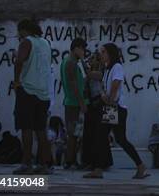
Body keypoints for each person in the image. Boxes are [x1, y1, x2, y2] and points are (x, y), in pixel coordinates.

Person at [83, 43, 149, 179]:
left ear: (110, 54)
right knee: (102, 136)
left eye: (104, 52)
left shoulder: (117, 67)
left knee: (119, 139)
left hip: (115, 108)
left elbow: (115, 86)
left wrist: (108, 98)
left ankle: (140, 166)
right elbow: (97, 77)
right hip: (111, 108)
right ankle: (99, 169)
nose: (101, 55)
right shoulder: (107, 68)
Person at [12, 19, 53, 175]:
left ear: (24, 30)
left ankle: (26, 164)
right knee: (41, 130)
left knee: (26, 129)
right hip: (43, 93)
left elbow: (20, 61)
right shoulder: (45, 43)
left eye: (19, 31)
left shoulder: (26, 42)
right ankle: (44, 165)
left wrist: (16, 82)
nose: (18, 35)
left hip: (27, 90)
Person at [81, 51, 113, 170]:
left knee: (101, 134)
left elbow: (92, 75)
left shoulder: (104, 71)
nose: (91, 60)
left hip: (103, 103)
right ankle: (91, 161)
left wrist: (83, 63)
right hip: (92, 104)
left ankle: (102, 162)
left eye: (94, 58)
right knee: (90, 133)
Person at [60, 37, 88, 169]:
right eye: (82, 49)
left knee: (77, 134)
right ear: (76, 48)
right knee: (73, 134)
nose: (84, 52)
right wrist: (82, 103)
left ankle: (72, 160)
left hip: (74, 103)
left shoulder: (75, 62)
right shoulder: (70, 62)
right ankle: (69, 161)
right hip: (74, 104)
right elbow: (73, 85)